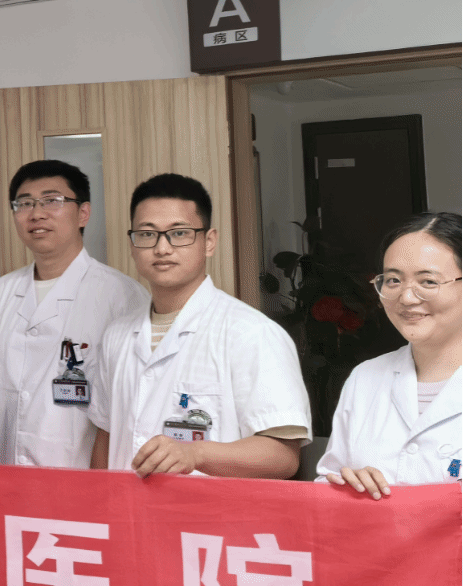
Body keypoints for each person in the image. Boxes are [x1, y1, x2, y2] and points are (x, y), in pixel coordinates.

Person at [88, 174, 310, 476]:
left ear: (209, 242)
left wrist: (196, 454)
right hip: (125, 505)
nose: (162, 248)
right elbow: (106, 436)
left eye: (179, 233)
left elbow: (283, 456)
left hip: (207, 507)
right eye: (147, 234)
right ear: (132, 245)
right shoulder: (117, 335)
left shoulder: (252, 333)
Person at [0, 160, 148, 467]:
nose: (36, 213)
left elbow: (134, 402)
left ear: (83, 213)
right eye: (24, 203)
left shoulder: (123, 296)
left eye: (52, 201)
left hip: (81, 473)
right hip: (4, 470)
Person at [319, 212, 461, 494]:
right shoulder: (365, 378)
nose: (406, 298)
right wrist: (348, 486)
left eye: (428, 281)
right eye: (393, 280)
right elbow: (327, 486)